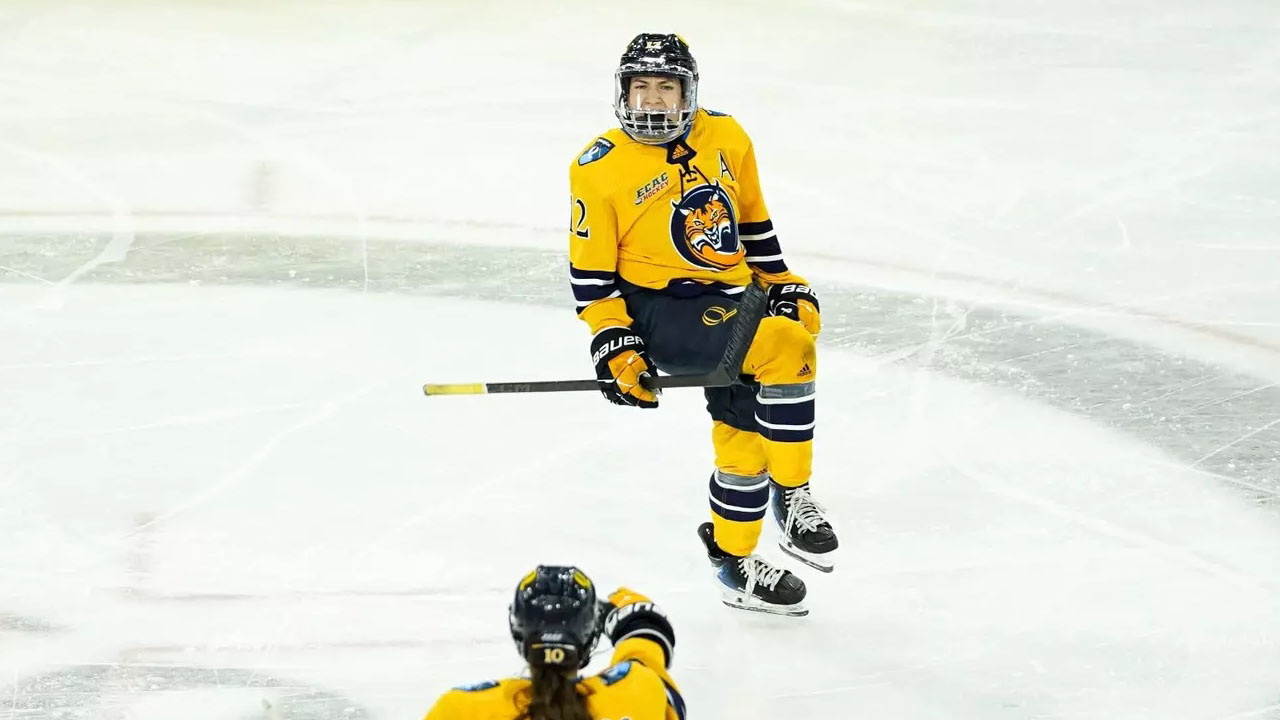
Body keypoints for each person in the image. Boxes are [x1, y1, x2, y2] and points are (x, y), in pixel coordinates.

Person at [567, 33, 838, 616]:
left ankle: (733, 560)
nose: (653, 101)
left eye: (667, 87)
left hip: (730, 296)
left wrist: (784, 283)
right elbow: (591, 282)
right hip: (660, 311)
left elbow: (753, 226)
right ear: (622, 91)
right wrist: (615, 346)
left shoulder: (728, 135)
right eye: (641, 87)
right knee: (785, 346)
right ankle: (791, 495)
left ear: (689, 92)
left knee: (744, 432)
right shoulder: (599, 167)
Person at [425, 565, 685, 720]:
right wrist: (629, 612)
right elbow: (647, 644)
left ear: (519, 634)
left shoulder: (461, 709)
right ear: (589, 639)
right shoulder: (636, 693)